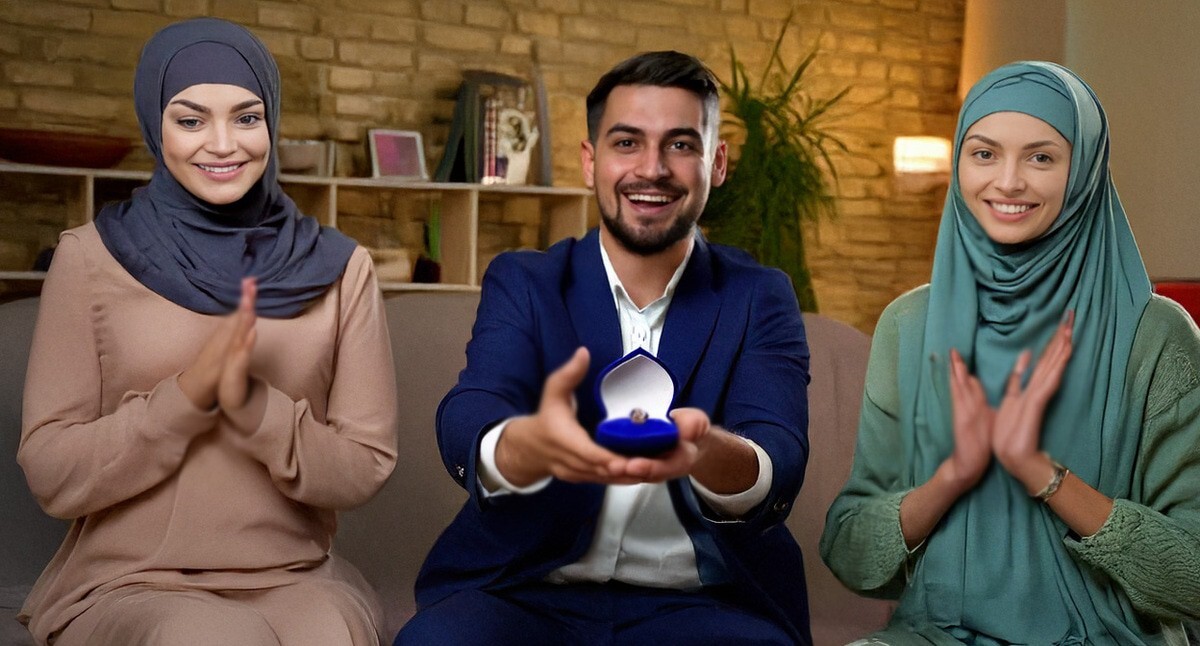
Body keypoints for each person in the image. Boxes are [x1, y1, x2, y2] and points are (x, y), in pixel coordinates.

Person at [396, 51, 812, 645]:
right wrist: (523, 445)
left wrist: (702, 450)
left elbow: (780, 457)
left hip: (702, 603)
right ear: (590, 161)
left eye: (680, 144)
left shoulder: (759, 295)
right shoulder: (527, 281)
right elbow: (472, 410)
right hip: (526, 593)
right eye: (626, 143)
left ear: (716, 163)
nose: (652, 168)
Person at [17, 18, 399, 646]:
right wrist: (186, 399)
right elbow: (51, 471)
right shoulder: (89, 258)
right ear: (155, 125)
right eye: (191, 120)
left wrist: (260, 411)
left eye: (247, 118)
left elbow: (366, 463)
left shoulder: (340, 268)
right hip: (131, 581)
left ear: (271, 121)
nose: (223, 145)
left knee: (331, 634)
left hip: (296, 574)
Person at [820, 61, 1200, 644]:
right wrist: (953, 476)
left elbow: (1193, 577)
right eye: (984, 153)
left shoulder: (1154, 336)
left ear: (1084, 171)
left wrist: (1042, 473)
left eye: (1041, 157)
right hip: (933, 635)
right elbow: (849, 550)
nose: (1008, 181)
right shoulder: (910, 325)